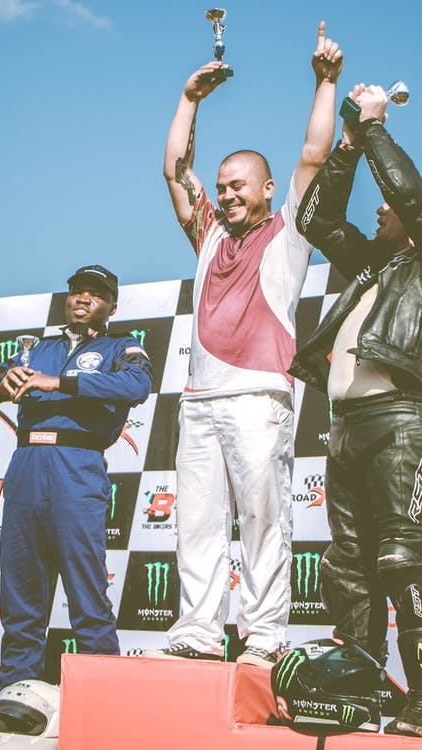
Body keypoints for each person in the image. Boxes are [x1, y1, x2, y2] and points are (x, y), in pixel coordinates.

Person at [288, 84, 422, 737]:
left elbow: (406, 195)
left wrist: (374, 128)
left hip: (403, 419)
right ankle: (360, 696)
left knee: (400, 557)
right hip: (345, 425)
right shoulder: (372, 264)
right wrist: (346, 147)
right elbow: (314, 221)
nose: (380, 206)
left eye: (395, 204)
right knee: (347, 572)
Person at [146, 22, 343, 668]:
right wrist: (188, 97)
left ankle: (262, 638)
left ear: (265, 190)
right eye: (222, 185)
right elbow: (174, 170)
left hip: (258, 395)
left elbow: (312, 156)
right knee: (196, 524)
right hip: (200, 399)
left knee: (262, 519)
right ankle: (199, 633)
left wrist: (326, 83)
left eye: (240, 185)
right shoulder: (207, 236)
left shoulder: (288, 233)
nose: (227, 193)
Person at [0, 264, 152, 687]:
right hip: (27, 467)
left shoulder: (122, 346)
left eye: (95, 294)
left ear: (111, 307)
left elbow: (136, 387)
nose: (83, 299)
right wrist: (0, 385)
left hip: (77, 468)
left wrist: (60, 383)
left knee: (86, 598)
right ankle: (15, 702)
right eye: (76, 291)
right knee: (21, 599)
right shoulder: (33, 349)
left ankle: (103, 704)